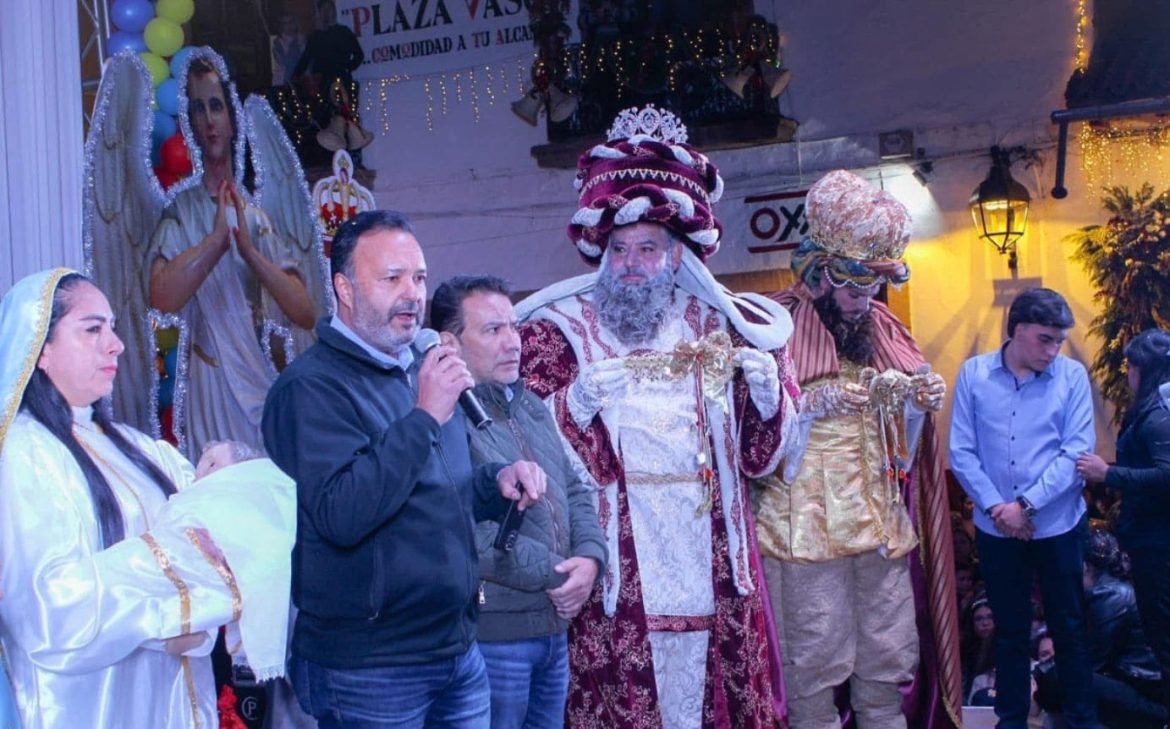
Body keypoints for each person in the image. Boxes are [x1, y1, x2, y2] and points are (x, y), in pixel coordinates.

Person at [516, 105, 799, 729]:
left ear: (676, 256)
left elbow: (761, 459)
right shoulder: (558, 332)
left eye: (647, 248)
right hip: (617, 559)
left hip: (709, 550)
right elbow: (520, 437)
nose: (630, 263)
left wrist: (768, 397)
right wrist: (573, 405)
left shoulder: (723, 325)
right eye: (619, 249)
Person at [262, 211, 548, 729]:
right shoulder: (310, 388)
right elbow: (343, 513)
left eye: (418, 277)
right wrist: (424, 417)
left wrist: (493, 484)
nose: (413, 294)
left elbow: (434, 491)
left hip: (456, 651)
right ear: (345, 289)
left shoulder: (422, 369)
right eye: (392, 278)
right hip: (371, 668)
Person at [0, 269, 291, 728]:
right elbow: (48, 603)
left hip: (169, 699)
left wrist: (234, 465)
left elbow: (222, 532)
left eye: (112, 328)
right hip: (91, 706)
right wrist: (174, 611)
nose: (115, 344)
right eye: (92, 329)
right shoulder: (24, 453)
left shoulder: (136, 447)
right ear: (42, 349)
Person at [754, 169, 960, 729]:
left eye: (871, 291)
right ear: (820, 274)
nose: (862, 303)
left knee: (886, 661)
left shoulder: (883, 327)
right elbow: (749, 438)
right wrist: (806, 408)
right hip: (802, 531)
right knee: (811, 670)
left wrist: (917, 402)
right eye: (852, 289)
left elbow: (903, 451)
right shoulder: (772, 328)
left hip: (879, 527)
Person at [431, 275, 608, 729]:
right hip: (494, 637)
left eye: (513, 326)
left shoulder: (531, 408)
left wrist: (591, 560)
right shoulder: (443, 420)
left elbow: (575, 490)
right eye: (493, 330)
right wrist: (559, 573)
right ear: (450, 343)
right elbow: (460, 530)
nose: (513, 342)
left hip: (553, 631)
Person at [148, 51, 318, 459]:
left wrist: (248, 251)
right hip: (208, 382)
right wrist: (215, 243)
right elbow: (161, 297)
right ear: (190, 122)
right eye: (198, 108)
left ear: (231, 118)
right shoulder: (181, 212)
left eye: (216, 106)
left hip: (255, 373)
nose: (209, 119)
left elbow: (305, 311)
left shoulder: (256, 219)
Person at [949, 287, 1098, 729]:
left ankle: (1081, 722)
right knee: (1009, 631)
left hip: (1058, 524)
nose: (1053, 351)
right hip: (997, 527)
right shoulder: (974, 374)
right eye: (1044, 339)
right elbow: (961, 451)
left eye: (1058, 341)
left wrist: (1026, 507)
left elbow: (1075, 452)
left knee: (1069, 629)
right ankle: (1011, 722)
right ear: (1015, 330)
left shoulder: (1071, 376)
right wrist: (1000, 508)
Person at [1077, 328, 1170, 717]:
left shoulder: (1158, 414)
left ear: (1143, 369)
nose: (1127, 373)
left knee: (1164, 637)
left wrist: (1108, 473)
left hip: (1159, 545)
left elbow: (1167, 474)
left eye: (1130, 366)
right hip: (1153, 542)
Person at [272, 14, 306, 87]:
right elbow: (283, 61)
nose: (288, 26)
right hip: (283, 81)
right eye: (285, 23)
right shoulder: (277, 42)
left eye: (290, 22)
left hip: (300, 79)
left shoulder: (302, 39)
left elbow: (305, 59)